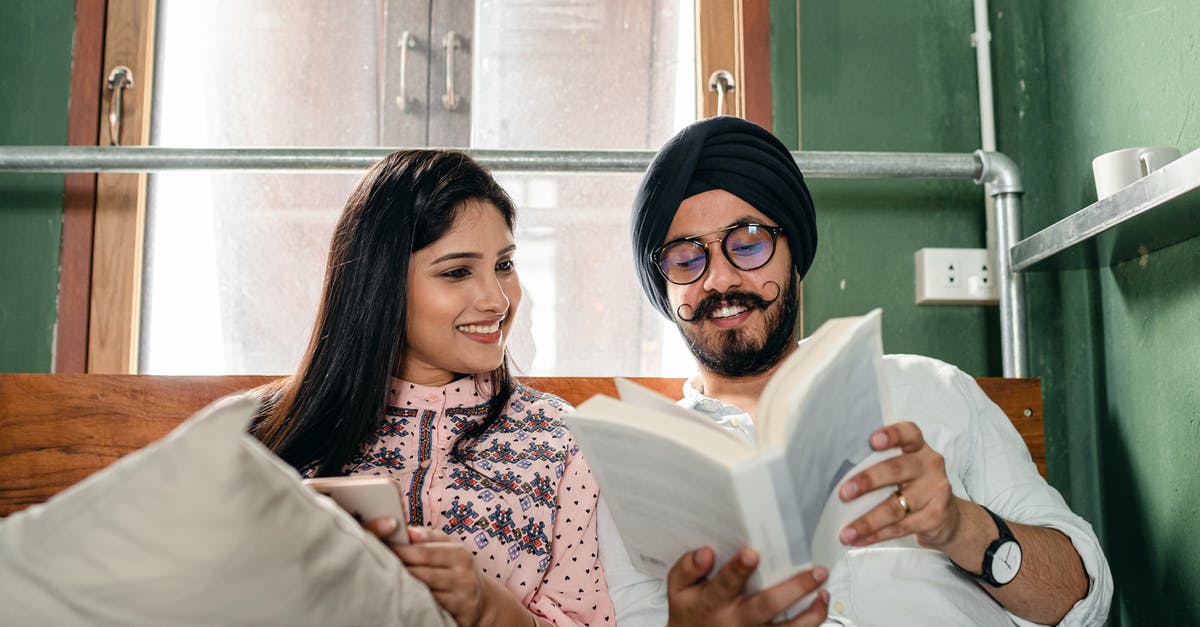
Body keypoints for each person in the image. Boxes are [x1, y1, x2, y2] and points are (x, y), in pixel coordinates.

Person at [600, 116, 1112, 626]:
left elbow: (1083, 598)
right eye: (686, 258)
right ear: (664, 287)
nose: (720, 278)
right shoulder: (642, 472)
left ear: (792, 252)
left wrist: (961, 526)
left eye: (749, 241)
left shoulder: (933, 390)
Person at [252, 150, 614, 627]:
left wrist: (490, 607)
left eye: (504, 265)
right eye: (457, 271)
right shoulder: (263, 427)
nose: (498, 300)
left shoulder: (562, 440)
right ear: (381, 284)